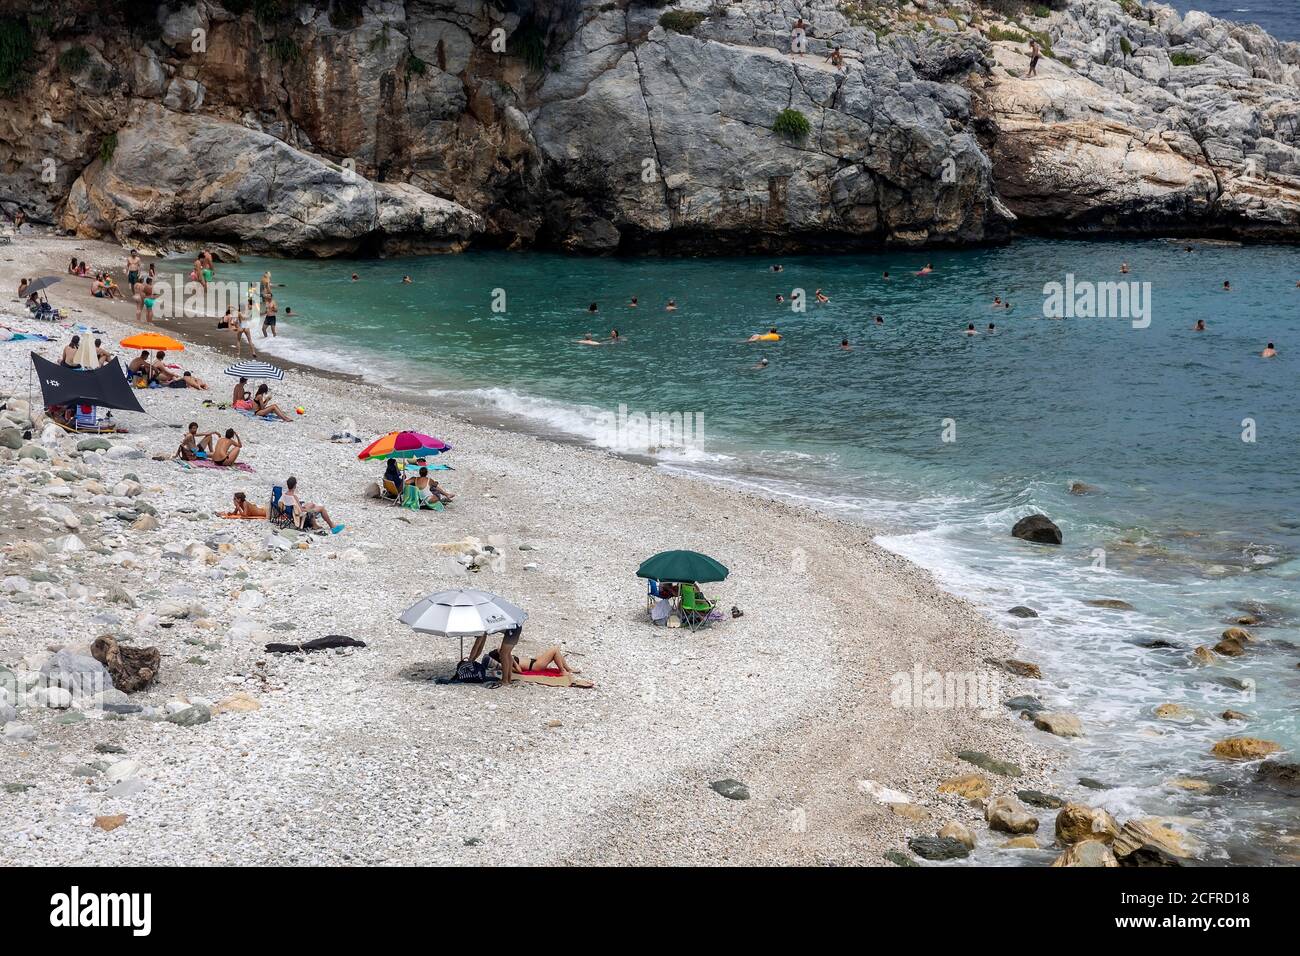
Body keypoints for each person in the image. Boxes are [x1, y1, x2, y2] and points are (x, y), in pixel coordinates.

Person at [488, 643, 579, 679]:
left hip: (534, 661)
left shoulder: (506, 658)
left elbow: (502, 647)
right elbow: (519, 670)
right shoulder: (507, 663)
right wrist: (511, 658)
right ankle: (563, 671)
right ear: (500, 658)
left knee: (556, 650)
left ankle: (568, 669)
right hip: (535, 666)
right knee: (554, 650)